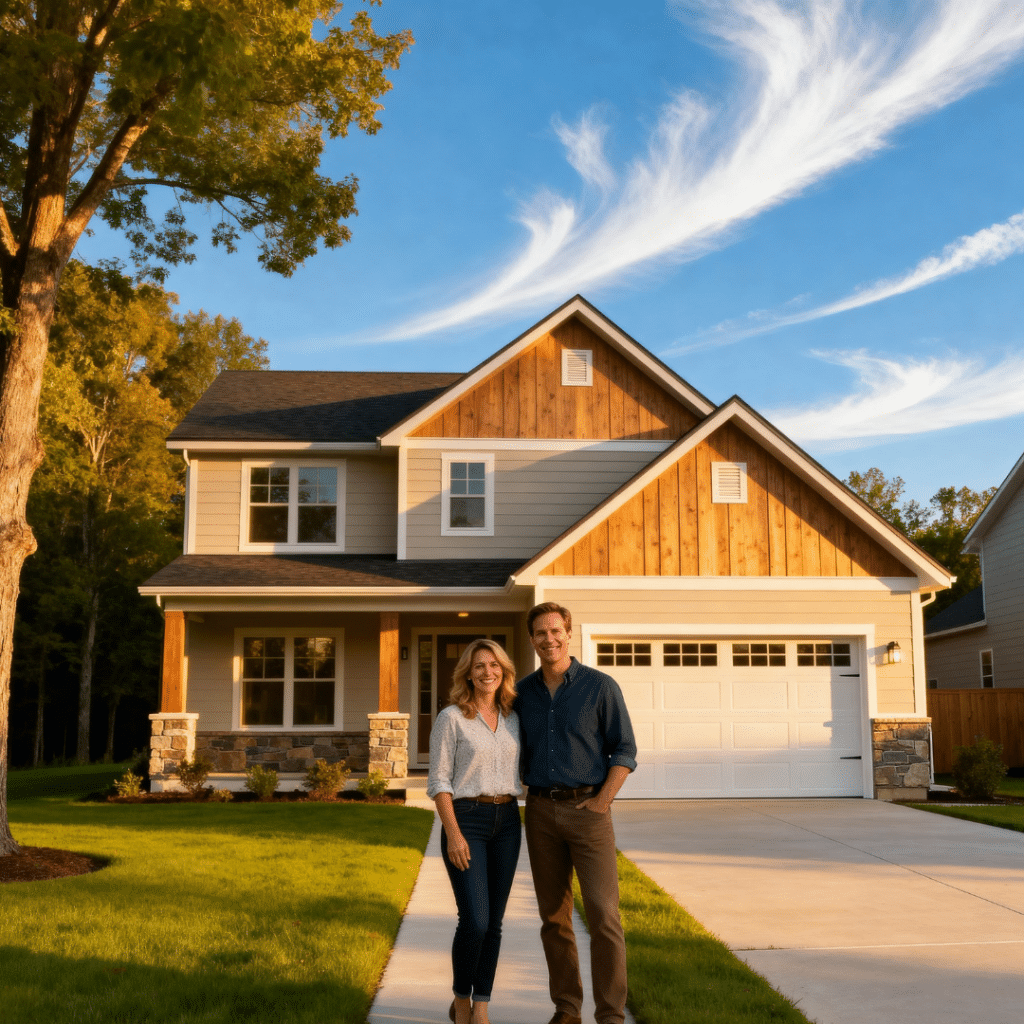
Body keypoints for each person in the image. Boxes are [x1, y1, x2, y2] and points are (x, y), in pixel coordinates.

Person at [517, 603, 637, 1024]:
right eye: (540, 633)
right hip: (539, 813)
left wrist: (603, 800)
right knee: (554, 917)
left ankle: (610, 1014)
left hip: (589, 811)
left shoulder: (600, 686)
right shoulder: (522, 693)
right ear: (532, 639)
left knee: (604, 915)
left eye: (555, 631)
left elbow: (625, 749)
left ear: (569, 634)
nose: (548, 639)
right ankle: (567, 1009)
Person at [427, 638, 523, 1024]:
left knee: (494, 923)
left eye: (495, 665)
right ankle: (461, 999)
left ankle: (481, 1003)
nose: (488, 672)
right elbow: (439, 780)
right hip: (466, 819)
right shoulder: (451, 717)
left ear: (504, 671)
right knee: (475, 920)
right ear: (468, 673)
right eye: (480, 666)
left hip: (508, 822)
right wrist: (453, 832)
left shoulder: (514, 717)